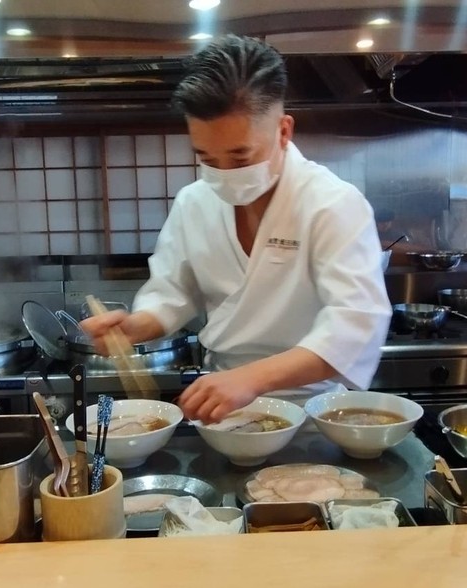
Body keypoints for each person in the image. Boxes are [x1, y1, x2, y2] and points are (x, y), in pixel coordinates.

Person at [82, 35, 392, 424]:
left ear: (283, 131)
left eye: (240, 155)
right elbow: (175, 291)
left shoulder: (332, 204)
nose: (223, 175)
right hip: (224, 405)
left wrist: (253, 378)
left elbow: (357, 321)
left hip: (311, 408)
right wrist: (136, 327)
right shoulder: (195, 202)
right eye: (206, 157)